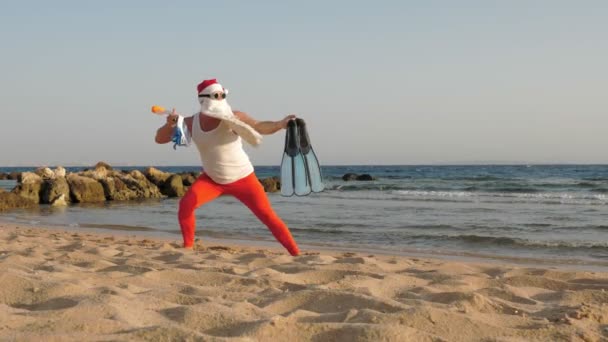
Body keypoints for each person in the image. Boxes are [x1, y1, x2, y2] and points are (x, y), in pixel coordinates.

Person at [154, 79, 300, 256]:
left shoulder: (234, 117)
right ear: (204, 99)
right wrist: (170, 124)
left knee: (268, 216)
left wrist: (279, 124)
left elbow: (258, 127)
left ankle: (295, 253)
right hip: (212, 180)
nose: (221, 98)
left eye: (224, 95)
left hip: (243, 178)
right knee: (186, 205)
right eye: (217, 95)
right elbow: (160, 139)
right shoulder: (192, 123)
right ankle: (187, 249)